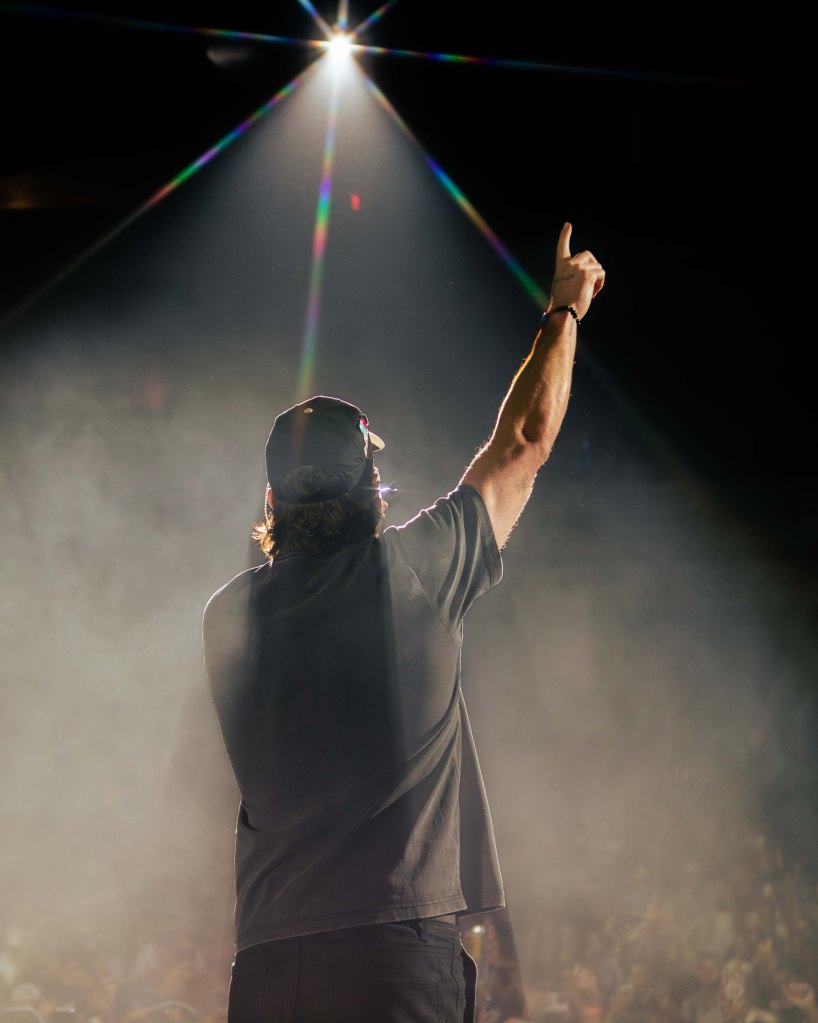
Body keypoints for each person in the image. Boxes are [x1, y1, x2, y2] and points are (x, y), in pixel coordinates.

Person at [203, 223, 605, 1022]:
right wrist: (563, 314)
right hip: (391, 951)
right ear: (371, 488)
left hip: (271, 957)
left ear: (273, 500)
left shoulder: (228, 616)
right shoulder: (416, 570)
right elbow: (523, 442)